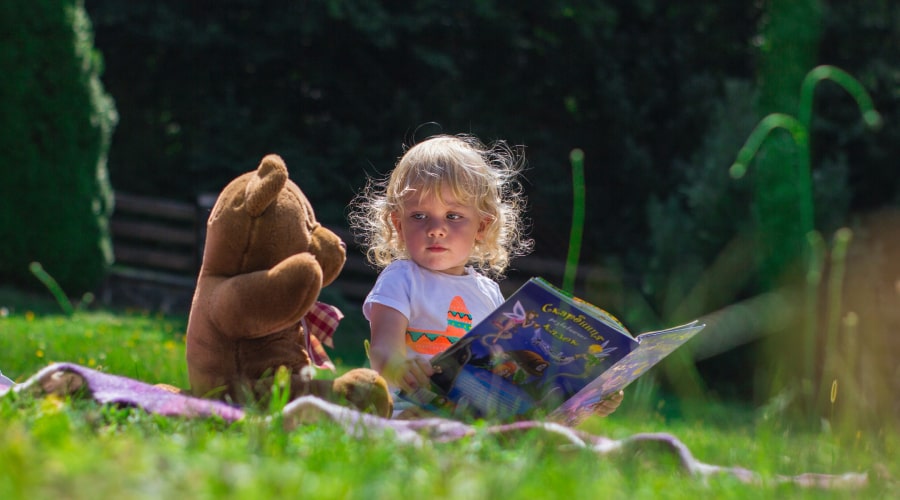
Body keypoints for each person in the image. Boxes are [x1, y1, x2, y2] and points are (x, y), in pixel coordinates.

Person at [350, 133, 622, 419]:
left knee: (543, 434)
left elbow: (506, 366)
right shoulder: (401, 278)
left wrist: (589, 398)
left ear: (482, 226)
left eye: (453, 216)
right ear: (398, 223)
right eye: (419, 215)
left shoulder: (488, 292)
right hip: (413, 407)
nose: (436, 229)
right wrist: (399, 367)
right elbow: (382, 350)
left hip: (479, 415)